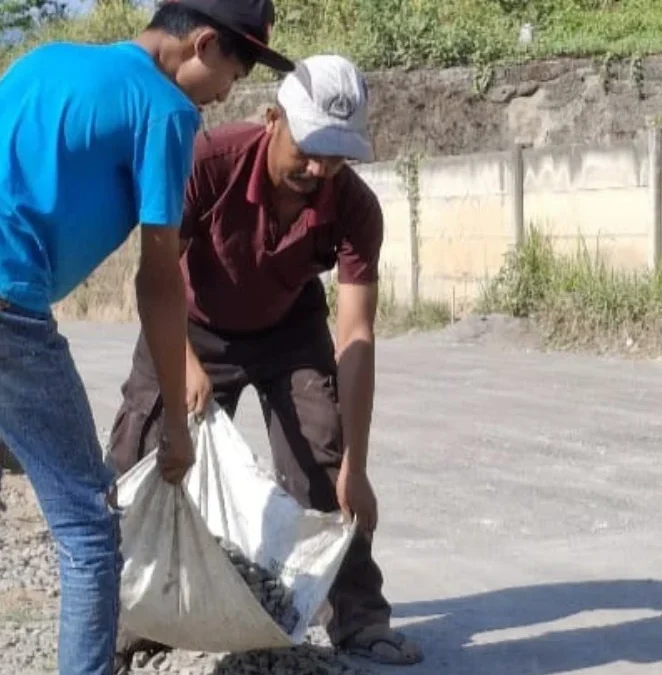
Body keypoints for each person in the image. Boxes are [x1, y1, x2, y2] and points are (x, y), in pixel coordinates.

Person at [0, 1, 295, 674]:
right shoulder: (168, 111)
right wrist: (177, 429)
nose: (226, 96)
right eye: (233, 75)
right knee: (90, 521)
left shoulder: (54, 58)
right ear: (203, 45)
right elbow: (158, 279)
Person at [106, 54, 424, 667]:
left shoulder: (355, 209)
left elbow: (355, 335)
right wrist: (184, 364)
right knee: (144, 456)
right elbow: (154, 273)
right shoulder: (208, 163)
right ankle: (130, 616)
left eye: (335, 155)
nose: (317, 168)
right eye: (308, 149)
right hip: (190, 323)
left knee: (322, 458)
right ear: (274, 118)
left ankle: (359, 617)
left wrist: (356, 465)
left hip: (287, 329)